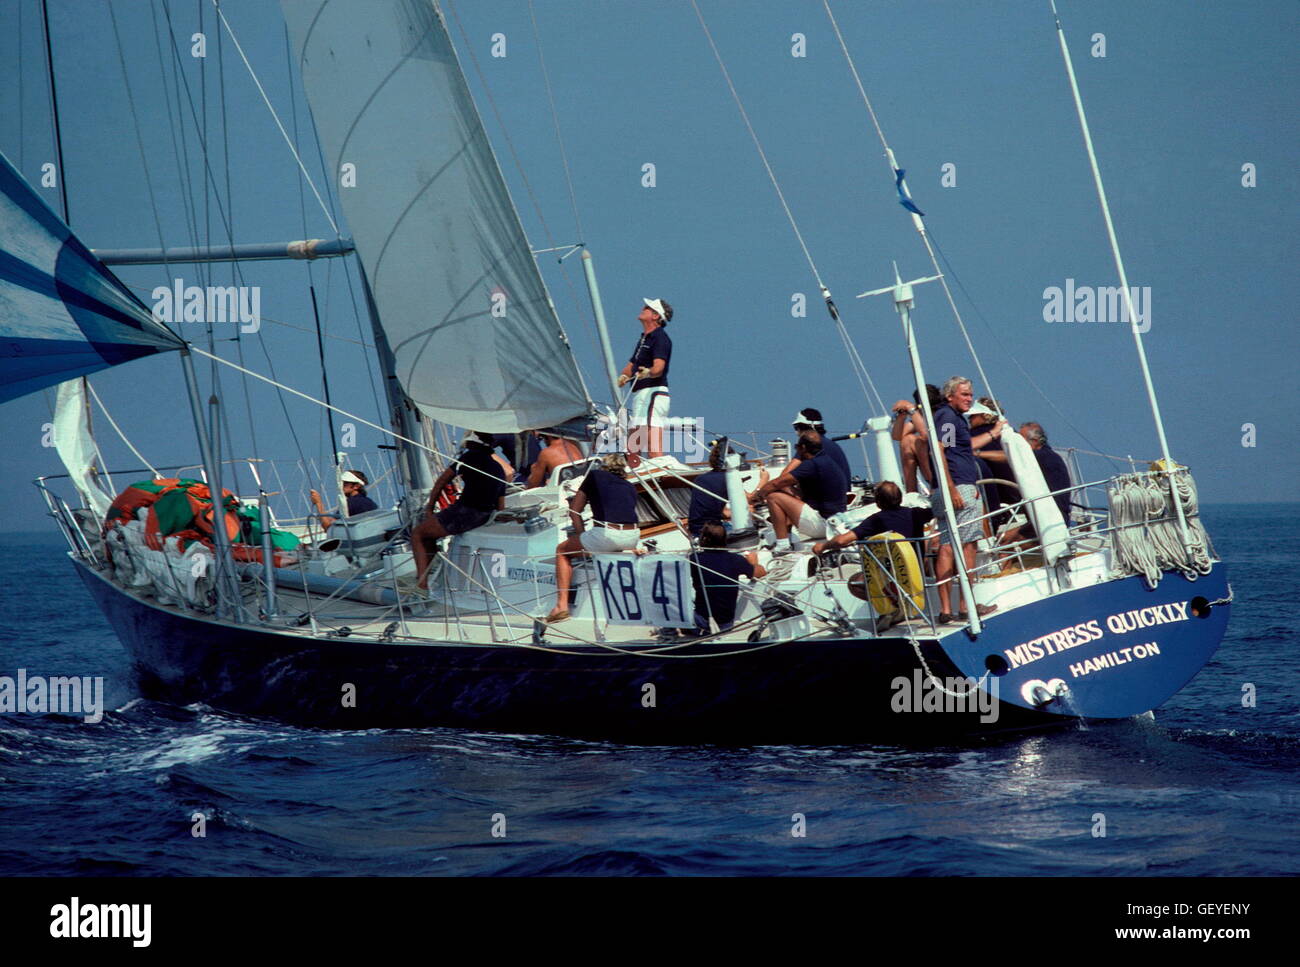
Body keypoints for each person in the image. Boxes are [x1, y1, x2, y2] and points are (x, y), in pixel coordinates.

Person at [916, 376, 1004, 622]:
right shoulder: (947, 417)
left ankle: (945, 610)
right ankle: (965, 605)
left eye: (970, 394)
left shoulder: (952, 419)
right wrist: (953, 488)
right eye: (964, 394)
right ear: (950, 396)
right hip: (958, 487)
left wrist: (994, 432)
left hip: (949, 487)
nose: (970, 399)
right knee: (967, 544)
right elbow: (939, 450)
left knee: (946, 544)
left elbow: (962, 448)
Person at [546, 453, 642, 623]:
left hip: (608, 534)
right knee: (607, 547)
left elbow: (575, 511)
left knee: (562, 550)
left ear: (604, 466)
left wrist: (581, 535)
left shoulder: (595, 476)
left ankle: (561, 607)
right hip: (632, 536)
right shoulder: (629, 486)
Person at [412, 432, 507, 589]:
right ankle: (428, 577)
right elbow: (500, 505)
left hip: (465, 512)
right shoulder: (498, 468)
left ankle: (422, 585)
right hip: (483, 516)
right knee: (428, 537)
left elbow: (442, 481)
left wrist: (430, 507)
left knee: (418, 534)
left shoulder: (469, 458)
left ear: (473, 445)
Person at [750, 434, 848, 554]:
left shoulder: (811, 465)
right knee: (783, 491)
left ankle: (782, 545)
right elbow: (784, 485)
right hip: (835, 521)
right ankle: (789, 538)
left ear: (803, 448)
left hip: (823, 524)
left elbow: (776, 483)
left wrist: (756, 498)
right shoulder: (826, 461)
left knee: (773, 497)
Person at [998, 422, 1073, 547]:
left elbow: (1010, 457)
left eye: (1021, 441)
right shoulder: (1048, 455)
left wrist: (977, 453)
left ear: (1035, 441)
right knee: (1005, 539)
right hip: (1047, 517)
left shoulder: (1042, 456)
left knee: (1005, 546)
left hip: (1051, 520)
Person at [685, 522, 767, 635]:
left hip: (701, 621)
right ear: (725, 540)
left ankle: (669, 632)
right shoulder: (736, 560)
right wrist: (753, 563)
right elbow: (761, 572)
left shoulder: (694, 559)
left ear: (703, 540)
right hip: (726, 624)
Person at [812, 480, 933, 554]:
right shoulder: (916, 513)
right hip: (917, 567)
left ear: (878, 502)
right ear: (901, 498)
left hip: (892, 573)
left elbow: (841, 540)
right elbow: (940, 512)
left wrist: (822, 546)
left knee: (854, 583)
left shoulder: (876, 520)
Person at [618, 298, 673, 458]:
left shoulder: (660, 338)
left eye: (647, 308)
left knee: (652, 443)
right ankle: (632, 475)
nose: (643, 308)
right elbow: (631, 364)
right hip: (641, 395)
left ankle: (659, 474)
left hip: (653, 394)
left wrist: (647, 372)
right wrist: (623, 376)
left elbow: (659, 368)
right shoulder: (644, 339)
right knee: (633, 445)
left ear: (656, 316)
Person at [890, 385, 942, 492]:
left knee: (923, 441)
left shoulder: (943, 415)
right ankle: (912, 494)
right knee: (907, 441)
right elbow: (897, 436)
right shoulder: (921, 417)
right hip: (932, 472)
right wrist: (902, 416)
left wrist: (911, 409)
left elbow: (926, 434)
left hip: (947, 469)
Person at [791, 408, 851, 483]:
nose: (797, 432)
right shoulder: (832, 445)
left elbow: (787, 472)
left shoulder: (809, 446)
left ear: (804, 428)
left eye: (797, 427)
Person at [686, 440, 731, 536]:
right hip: (711, 530)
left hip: (695, 529)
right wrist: (763, 480)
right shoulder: (728, 478)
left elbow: (710, 507)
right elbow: (748, 500)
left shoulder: (700, 478)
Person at [309, 470, 378, 532]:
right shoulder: (368, 502)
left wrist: (318, 503)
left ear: (356, 486)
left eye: (345, 483)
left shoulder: (351, 503)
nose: (341, 486)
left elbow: (328, 528)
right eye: (340, 483)